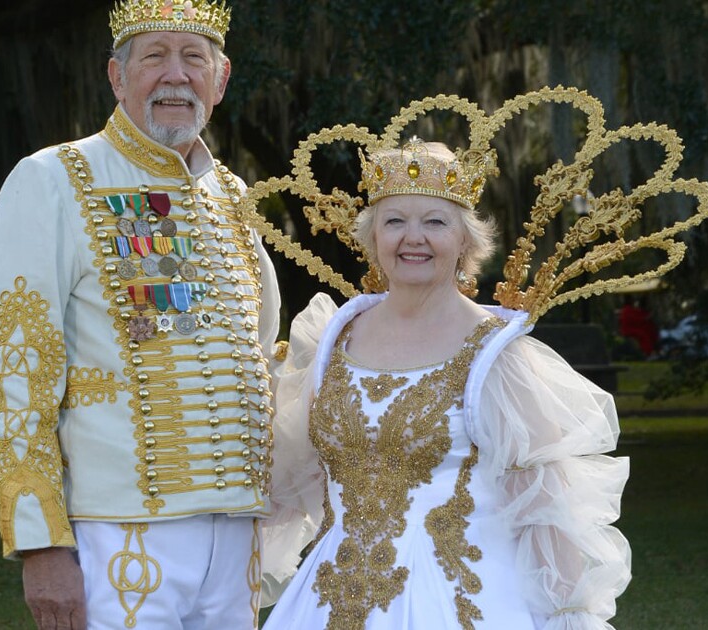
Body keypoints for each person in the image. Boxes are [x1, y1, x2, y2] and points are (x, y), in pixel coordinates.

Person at [0, 1, 280, 628]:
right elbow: (15, 376)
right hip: (119, 532)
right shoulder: (52, 180)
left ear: (219, 80)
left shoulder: (234, 195)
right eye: (154, 57)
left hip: (237, 538)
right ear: (117, 77)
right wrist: (42, 545)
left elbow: (265, 354)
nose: (176, 76)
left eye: (194, 58)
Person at [262, 139, 631, 629]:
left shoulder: (499, 356)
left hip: (458, 602)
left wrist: (569, 617)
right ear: (373, 239)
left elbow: (546, 511)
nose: (413, 238)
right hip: (329, 597)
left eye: (435, 222)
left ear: (465, 242)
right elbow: (293, 478)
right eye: (395, 221)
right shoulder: (333, 339)